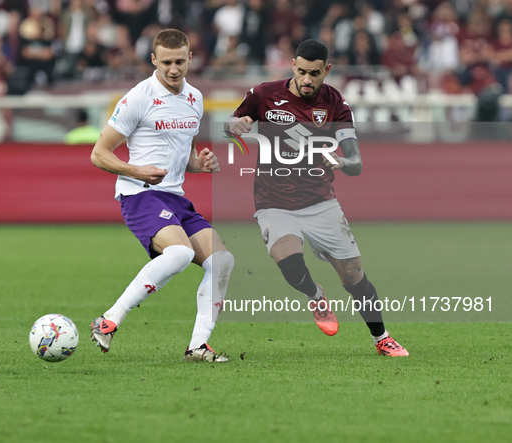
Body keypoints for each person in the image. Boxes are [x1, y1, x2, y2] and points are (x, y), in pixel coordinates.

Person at [226, 39, 408, 357]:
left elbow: (356, 163)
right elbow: (230, 125)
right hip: (273, 201)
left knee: (353, 277)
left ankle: (382, 338)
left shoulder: (336, 104)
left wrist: (341, 161)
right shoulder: (263, 94)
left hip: (321, 202)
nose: (307, 80)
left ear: (327, 70)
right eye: (301, 71)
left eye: (314, 73)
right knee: (289, 261)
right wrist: (236, 126)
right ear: (292, 66)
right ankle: (315, 295)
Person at [90, 29, 234, 363]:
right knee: (180, 254)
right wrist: (137, 170)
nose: (173, 69)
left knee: (223, 261)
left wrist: (199, 164)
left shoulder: (195, 99)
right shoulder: (138, 97)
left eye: (179, 61)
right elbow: (99, 153)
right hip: (140, 195)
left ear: (190, 59)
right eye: (166, 62)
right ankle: (108, 320)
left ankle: (197, 346)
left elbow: (186, 154)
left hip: (174, 198)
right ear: (153, 60)